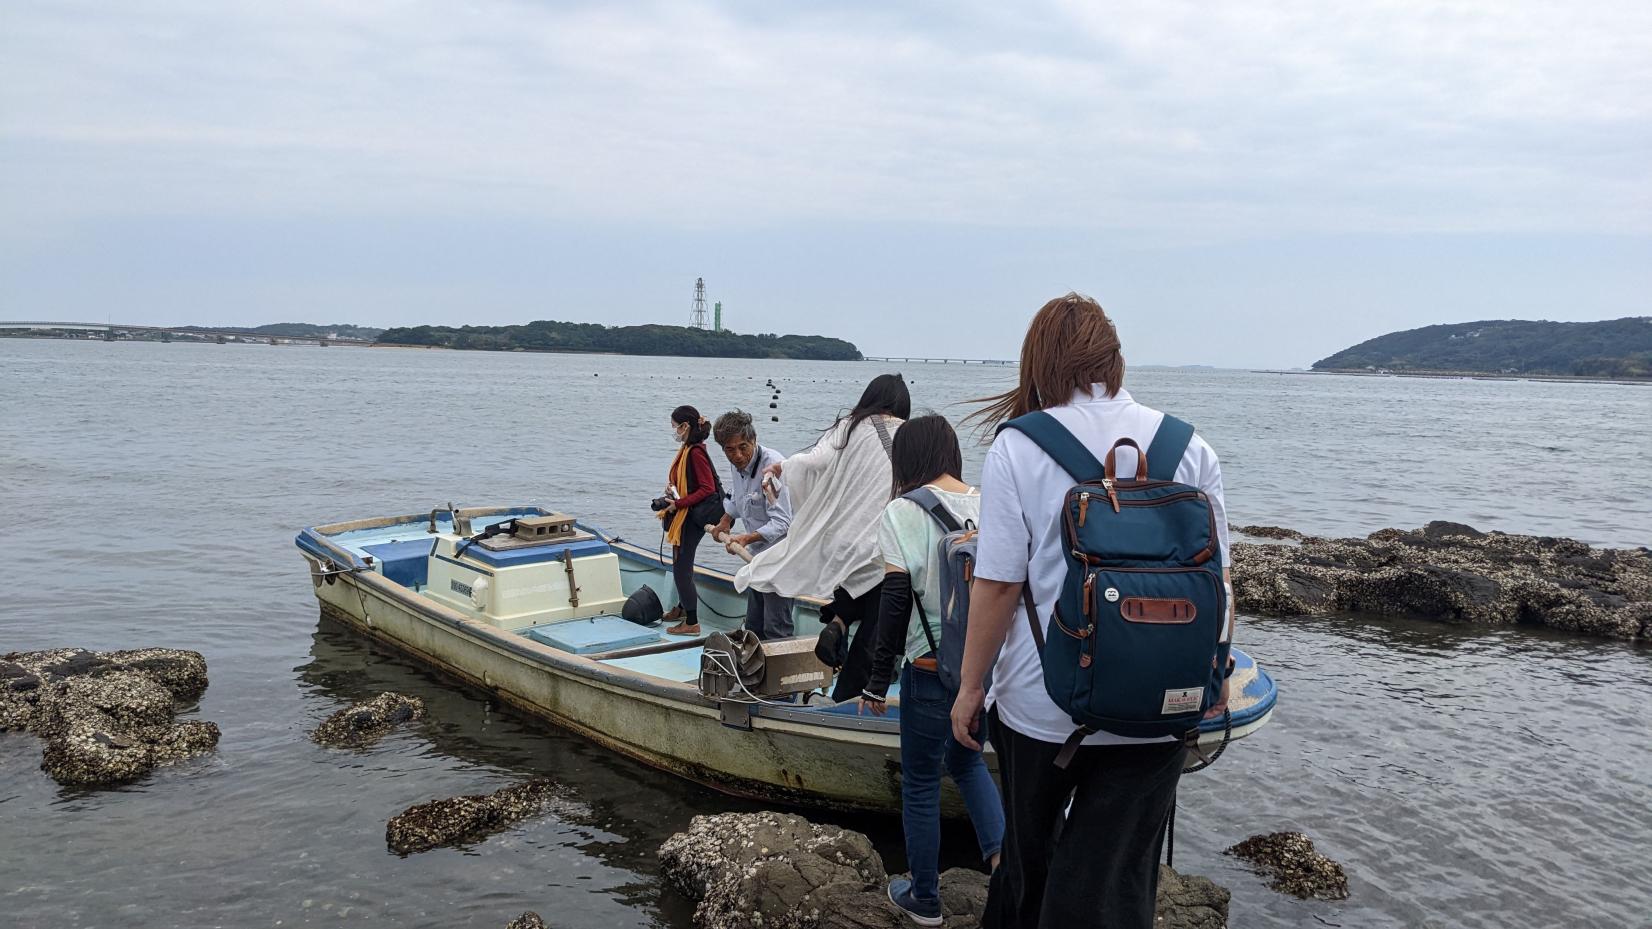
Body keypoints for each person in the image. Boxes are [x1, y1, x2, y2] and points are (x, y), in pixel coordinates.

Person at [950, 293, 1234, 929]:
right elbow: (1218, 581)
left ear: (1039, 362)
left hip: (1041, 703)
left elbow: (996, 584)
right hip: (1162, 710)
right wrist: (1211, 676)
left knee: (1027, 865)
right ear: (1115, 359)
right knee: (1116, 880)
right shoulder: (1192, 448)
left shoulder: (1018, 448)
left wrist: (970, 688)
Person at [858, 414, 1003, 926]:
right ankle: (1007, 872)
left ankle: (924, 899)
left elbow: (895, 604)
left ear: (906, 460)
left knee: (920, 783)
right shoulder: (989, 503)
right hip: (983, 670)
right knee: (968, 765)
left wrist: (876, 684)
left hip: (926, 669)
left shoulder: (901, 511)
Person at [735, 373, 910, 701]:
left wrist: (782, 468)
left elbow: (812, 463)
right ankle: (849, 692)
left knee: (858, 586)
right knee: (879, 614)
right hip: (882, 543)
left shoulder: (849, 426)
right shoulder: (907, 434)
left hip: (844, 542)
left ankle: (839, 623)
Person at [710, 409, 796, 640]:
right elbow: (741, 498)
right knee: (754, 627)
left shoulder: (772, 469)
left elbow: (783, 522)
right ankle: (754, 675)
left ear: (754, 440)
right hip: (757, 558)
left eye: (743, 447)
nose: (737, 455)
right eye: (730, 449)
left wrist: (745, 539)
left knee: (776, 629)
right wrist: (725, 520)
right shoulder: (737, 465)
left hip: (781, 557)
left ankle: (779, 674)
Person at [657, 405, 723, 636]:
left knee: (681, 568)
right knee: (681, 565)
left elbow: (707, 488)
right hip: (687, 513)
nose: (674, 431)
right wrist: (674, 491)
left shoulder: (695, 452)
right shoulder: (688, 449)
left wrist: (680, 503)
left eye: (675, 427)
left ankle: (692, 622)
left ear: (686, 426)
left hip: (692, 516)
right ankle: (683, 608)